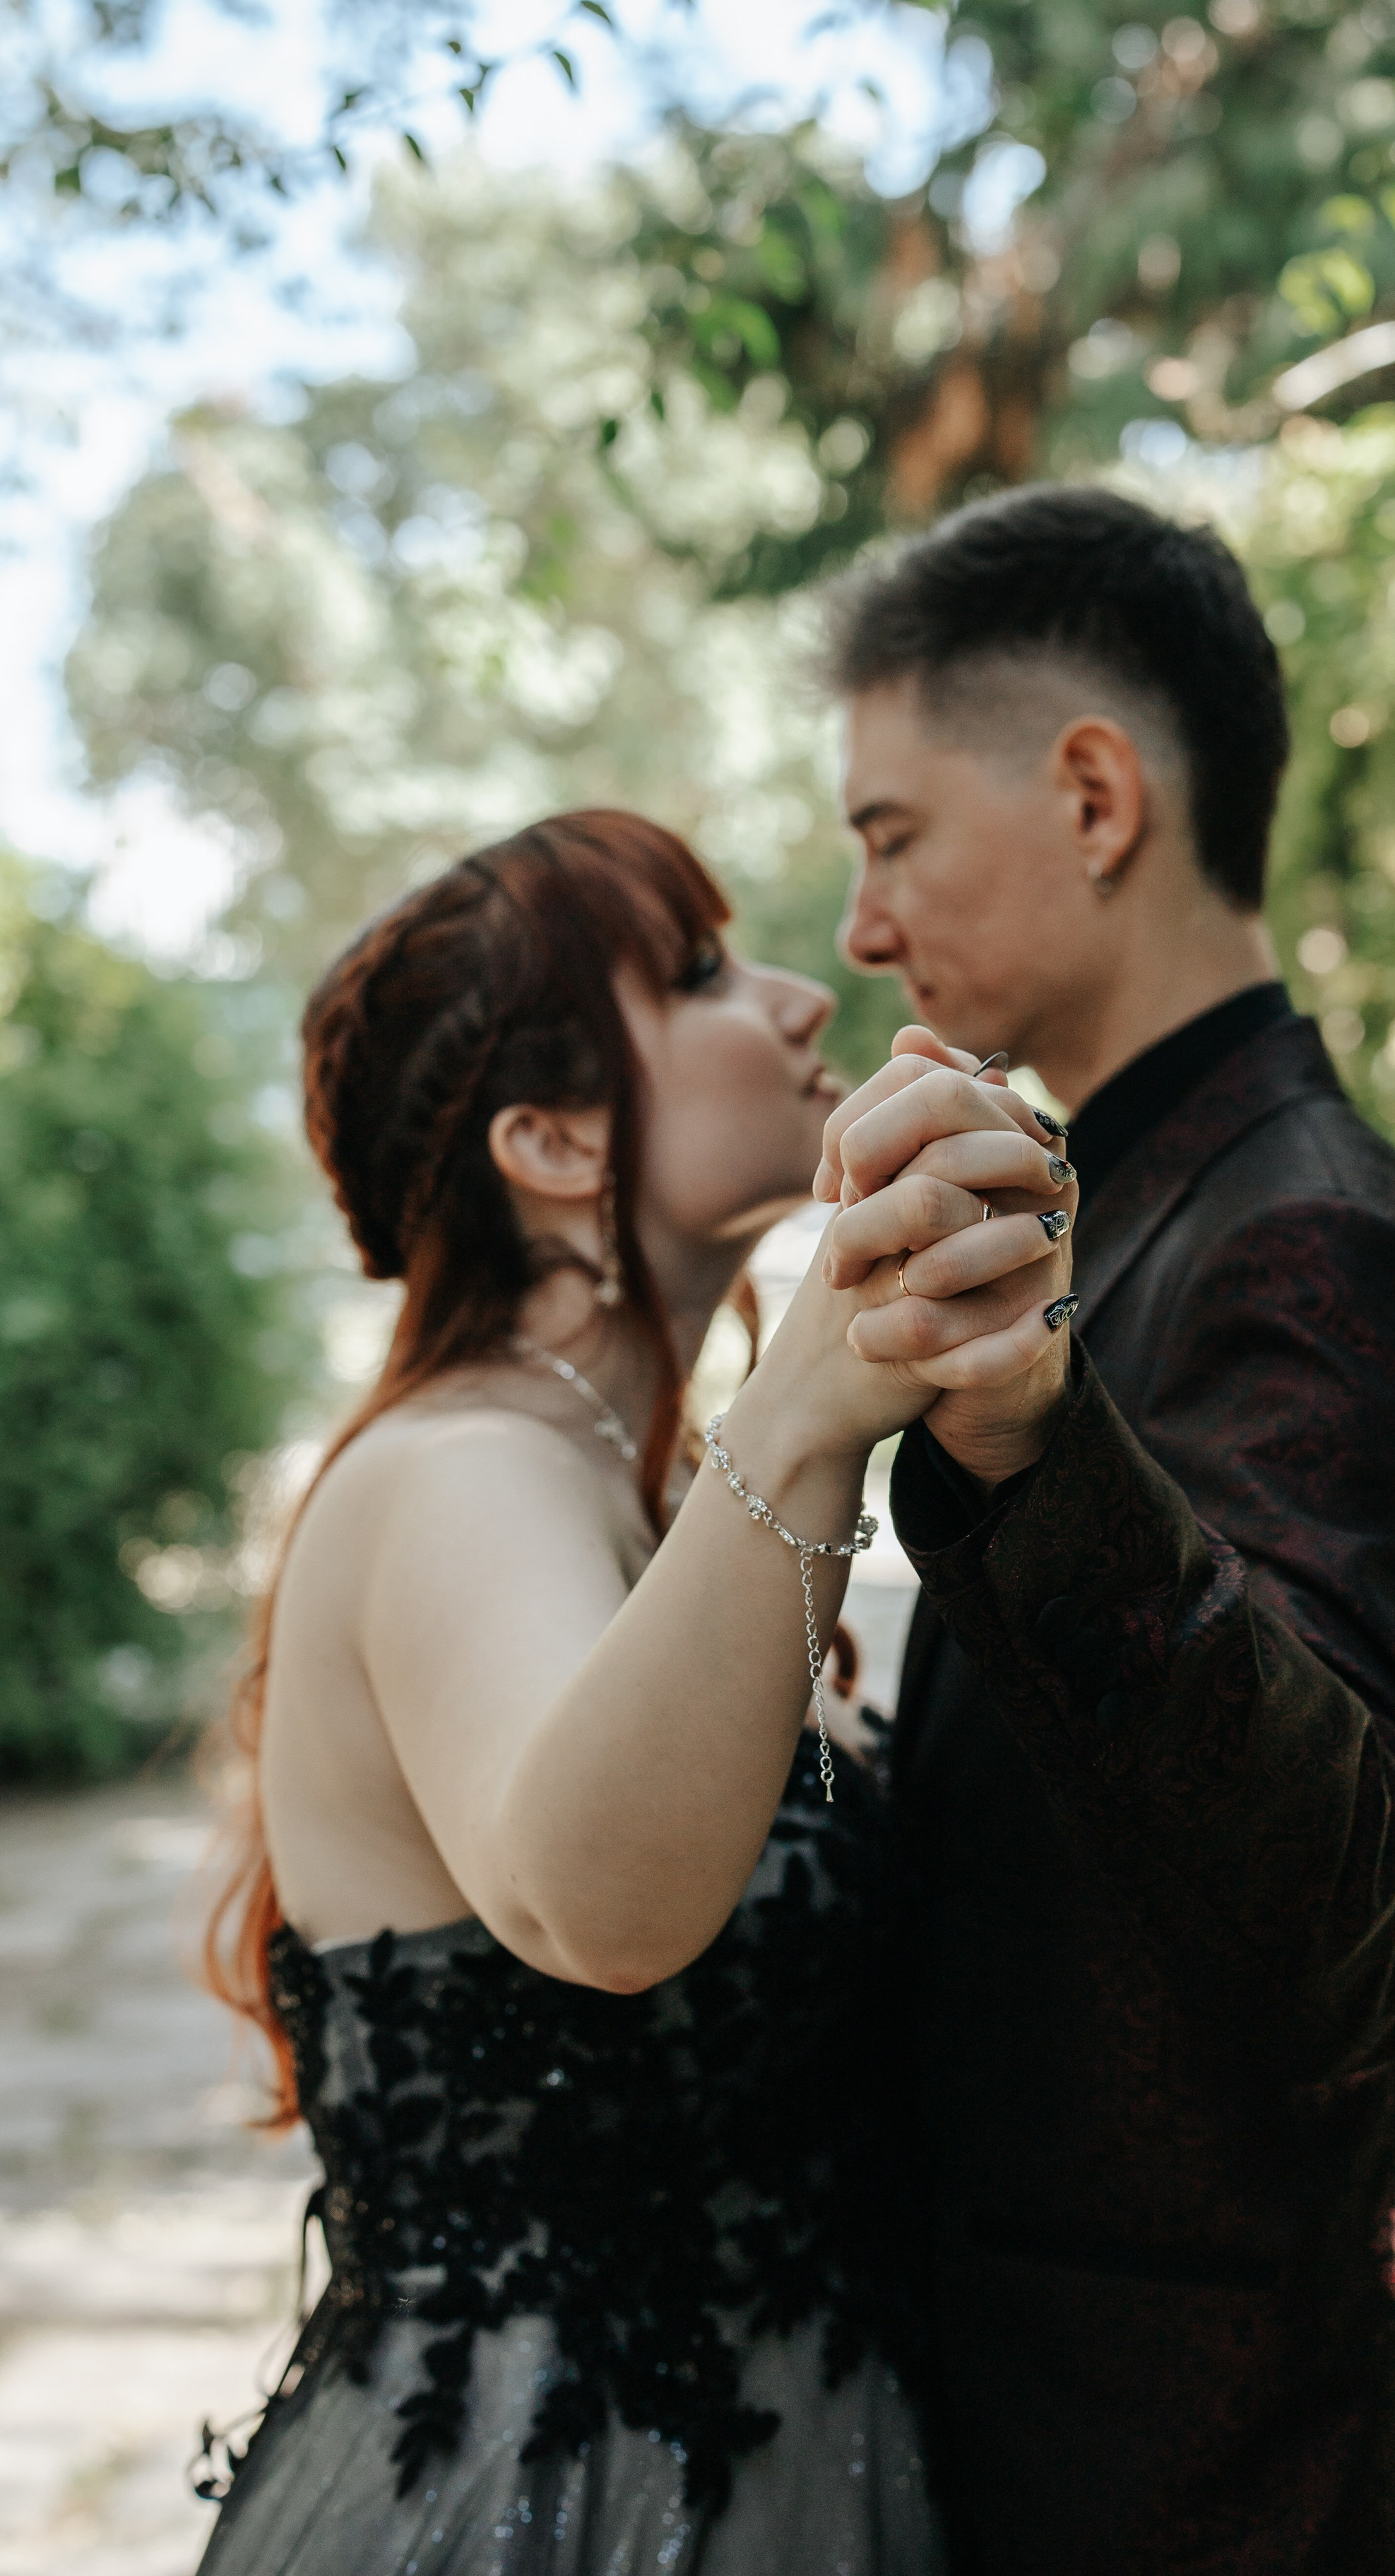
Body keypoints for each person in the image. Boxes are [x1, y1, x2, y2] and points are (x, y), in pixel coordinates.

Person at [809, 487, 1395, 2575]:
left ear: (1095, 797)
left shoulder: (1306, 1237)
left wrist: (1031, 1453)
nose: (864, 928)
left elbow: (1355, 1917)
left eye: (892, 835)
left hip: (1274, 2489)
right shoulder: (1148, 1211)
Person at [194, 806, 1078, 2576]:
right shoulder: (454, 1473)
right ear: (548, 1138)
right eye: (696, 971)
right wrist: (809, 1399)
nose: (796, 997)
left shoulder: (644, 1485)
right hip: (549, 2515)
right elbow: (592, 1906)